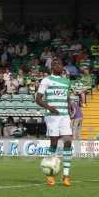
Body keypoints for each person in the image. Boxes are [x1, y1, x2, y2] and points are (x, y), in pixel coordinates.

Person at [36, 58, 73, 187]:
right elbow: (38, 99)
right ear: (51, 67)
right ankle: (50, 175)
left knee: (68, 141)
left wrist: (70, 106)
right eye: (55, 64)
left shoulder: (66, 81)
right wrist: (49, 107)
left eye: (59, 64)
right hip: (52, 116)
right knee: (54, 142)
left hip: (64, 116)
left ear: (62, 66)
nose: (57, 66)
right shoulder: (46, 80)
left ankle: (66, 175)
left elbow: (67, 97)